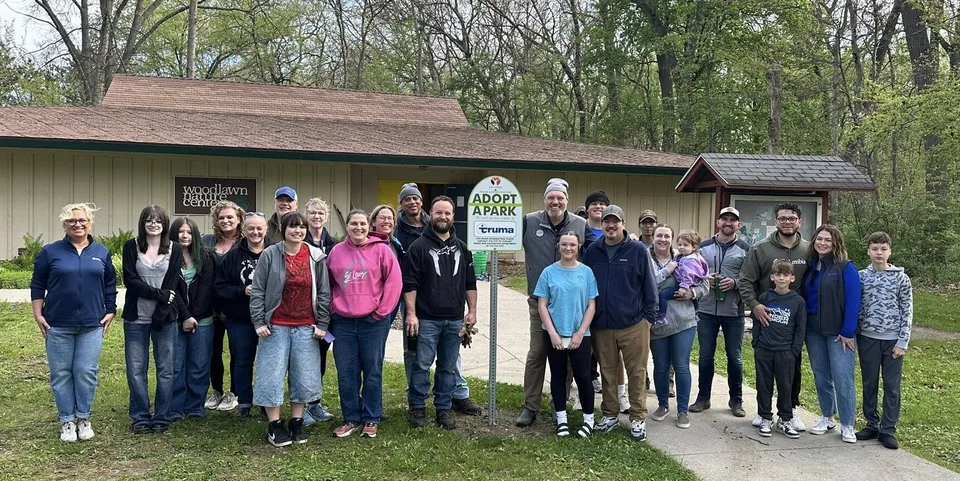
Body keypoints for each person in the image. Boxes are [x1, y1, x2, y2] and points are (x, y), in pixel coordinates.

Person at [31, 203, 117, 442]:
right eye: (72, 221)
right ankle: (67, 421)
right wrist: (38, 314)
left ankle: (83, 418)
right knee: (61, 374)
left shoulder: (101, 252)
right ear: (64, 225)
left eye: (82, 220)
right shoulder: (51, 252)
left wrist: (110, 310)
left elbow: (109, 284)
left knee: (85, 372)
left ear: (90, 223)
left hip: (91, 324)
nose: (77, 224)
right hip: (58, 324)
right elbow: (38, 283)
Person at [395, 183, 483, 416]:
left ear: (453, 216)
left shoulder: (463, 248)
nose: (442, 216)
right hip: (427, 320)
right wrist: (411, 314)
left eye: (447, 213)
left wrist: (471, 311)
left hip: (454, 320)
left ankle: (443, 407)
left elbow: (470, 283)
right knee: (421, 365)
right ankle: (418, 406)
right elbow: (410, 284)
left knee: (446, 367)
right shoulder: (418, 247)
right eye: (438, 212)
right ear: (430, 215)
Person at [517, 178, 596, 427]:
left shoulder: (580, 225)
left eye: (560, 197)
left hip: (571, 303)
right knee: (538, 352)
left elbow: (599, 249)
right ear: (544, 199)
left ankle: (558, 404)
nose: (555, 201)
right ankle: (530, 406)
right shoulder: (529, 222)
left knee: (567, 352)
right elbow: (504, 236)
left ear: (566, 200)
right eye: (551, 197)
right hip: (539, 301)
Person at [250, 212, 331, 447]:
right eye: (293, 227)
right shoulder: (270, 254)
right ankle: (275, 425)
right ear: (283, 229)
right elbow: (258, 291)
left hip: (306, 326)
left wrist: (322, 323)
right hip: (275, 326)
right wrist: (259, 321)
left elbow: (324, 292)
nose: (298, 231)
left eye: (302, 227)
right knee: (271, 375)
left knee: (304, 376)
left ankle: (296, 421)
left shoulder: (315, 256)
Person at [582, 205, 657, 441]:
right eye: (606, 221)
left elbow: (649, 285)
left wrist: (648, 318)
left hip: (633, 324)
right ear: (601, 224)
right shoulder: (592, 251)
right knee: (607, 372)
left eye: (615, 221)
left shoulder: (637, 250)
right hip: (601, 324)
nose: (610, 225)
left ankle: (637, 418)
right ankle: (610, 414)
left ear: (623, 224)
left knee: (636, 372)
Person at [327, 209, 403, 438]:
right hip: (343, 322)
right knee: (346, 371)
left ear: (368, 226)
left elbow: (394, 282)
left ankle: (371, 417)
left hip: (373, 321)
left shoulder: (381, 250)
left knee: (372, 370)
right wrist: (332, 307)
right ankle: (351, 417)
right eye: (353, 224)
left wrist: (381, 312)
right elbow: (327, 283)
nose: (358, 228)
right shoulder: (336, 252)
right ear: (347, 226)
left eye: (362, 224)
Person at [739, 202, 809, 432]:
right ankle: (764, 412)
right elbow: (746, 281)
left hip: (795, 321)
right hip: (768, 322)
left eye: (791, 218)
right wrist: (755, 305)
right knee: (765, 374)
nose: (787, 222)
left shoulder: (809, 250)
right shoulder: (760, 249)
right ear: (776, 221)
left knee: (792, 371)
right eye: (782, 218)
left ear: (799, 221)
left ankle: (790, 411)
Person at [122, 205, 192, 434]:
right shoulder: (131, 247)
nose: (153, 224)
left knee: (166, 369)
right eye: (148, 220)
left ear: (164, 223)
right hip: (136, 318)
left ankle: (162, 415)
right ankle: (140, 416)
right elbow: (130, 281)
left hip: (165, 318)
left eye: (158, 220)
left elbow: (172, 284)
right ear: (142, 223)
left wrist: (163, 297)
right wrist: (158, 294)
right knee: (136, 369)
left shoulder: (175, 249)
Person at [533, 231, 599, 437]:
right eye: (564, 245)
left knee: (583, 376)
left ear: (578, 247)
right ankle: (561, 419)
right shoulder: (548, 272)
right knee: (558, 376)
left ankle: (589, 419)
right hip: (554, 332)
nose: (568, 248)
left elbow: (591, 305)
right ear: (558, 247)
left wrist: (580, 333)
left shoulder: (587, 273)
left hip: (580, 333)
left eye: (572, 244)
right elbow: (542, 305)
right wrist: (552, 333)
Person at [801, 224, 861, 443]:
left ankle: (847, 424)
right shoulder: (811, 265)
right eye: (819, 239)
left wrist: (848, 331)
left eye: (828, 240)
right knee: (821, 374)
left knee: (842, 377)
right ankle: (827, 416)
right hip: (813, 330)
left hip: (838, 333)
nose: (823, 243)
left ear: (836, 243)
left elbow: (854, 300)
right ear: (814, 241)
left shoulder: (846, 267)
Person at [690, 207, 751, 417]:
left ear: (738, 225)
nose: (728, 222)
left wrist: (734, 283)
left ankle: (736, 400)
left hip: (734, 311)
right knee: (706, 355)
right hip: (706, 309)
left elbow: (751, 278)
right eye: (724, 219)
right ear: (718, 222)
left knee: (735, 357)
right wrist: (705, 278)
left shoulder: (746, 249)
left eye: (732, 220)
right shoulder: (703, 247)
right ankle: (703, 398)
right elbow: (691, 272)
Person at [856, 232, 913, 449]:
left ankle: (888, 429)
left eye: (883, 249)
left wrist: (902, 342)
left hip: (892, 342)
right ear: (868, 251)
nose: (879, 253)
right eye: (874, 249)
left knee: (891, 385)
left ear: (890, 251)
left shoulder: (901, 278)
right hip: (868, 338)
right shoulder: (861, 276)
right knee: (869, 383)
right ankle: (872, 423)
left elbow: (907, 311)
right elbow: (857, 307)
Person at [648, 225, 708, 430]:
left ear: (672, 239)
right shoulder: (645, 258)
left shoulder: (687, 256)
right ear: (653, 237)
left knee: (681, 365)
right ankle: (663, 405)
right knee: (661, 365)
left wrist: (692, 294)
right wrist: (666, 272)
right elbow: (643, 284)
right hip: (657, 324)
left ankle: (682, 410)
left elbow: (704, 284)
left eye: (667, 236)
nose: (663, 239)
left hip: (684, 320)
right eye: (659, 235)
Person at [215, 212, 270, 418]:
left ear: (265, 229)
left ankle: (266, 402)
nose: (255, 232)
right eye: (251, 228)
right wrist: (242, 291)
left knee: (268, 361)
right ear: (243, 230)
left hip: (269, 319)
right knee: (242, 360)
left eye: (259, 228)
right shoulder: (233, 256)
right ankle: (245, 401)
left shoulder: (275, 252)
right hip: (240, 318)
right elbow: (220, 287)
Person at [752, 260, 807, 439]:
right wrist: (756, 343)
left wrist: (794, 350)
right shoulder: (765, 298)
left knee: (785, 386)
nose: (781, 278)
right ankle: (765, 417)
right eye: (778, 275)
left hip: (786, 351)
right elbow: (757, 322)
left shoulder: (798, 301)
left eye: (785, 275)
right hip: (764, 349)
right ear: (772, 277)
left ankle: (785, 419)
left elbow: (800, 328)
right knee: (763, 384)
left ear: (792, 278)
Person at [169, 217, 216, 420]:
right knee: (176, 365)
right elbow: (171, 289)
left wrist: (194, 316)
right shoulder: (167, 257)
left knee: (199, 364)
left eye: (189, 232)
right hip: (175, 319)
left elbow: (206, 291)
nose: (185, 235)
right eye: (180, 231)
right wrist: (185, 316)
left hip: (203, 320)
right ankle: (176, 407)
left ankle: (196, 406)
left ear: (195, 235)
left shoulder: (206, 257)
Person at [201, 200, 244, 412]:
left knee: (237, 352)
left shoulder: (245, 243)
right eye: (222, 217)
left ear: (239, 220)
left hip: (236, 307)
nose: (226, 221)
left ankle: (234, 393)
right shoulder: (207, 241)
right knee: (213, 352)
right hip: (210, 307)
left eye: (230, 217)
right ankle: (216, 390)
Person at [301, 197, 338, 425]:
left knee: (320, 357)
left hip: (325, 312)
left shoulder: (334, 245)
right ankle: (301, 406)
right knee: (300, 359)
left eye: (320, 213)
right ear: (306, 216)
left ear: (326, 217)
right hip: (302, 311)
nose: (316, 217)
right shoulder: (296, 240)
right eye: (312, 213)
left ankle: (315, 403)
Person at [655, 229, 707, 326]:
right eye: (679, 245)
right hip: (686, 285)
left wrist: (685, 288)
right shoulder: (683, 256)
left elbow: (688, 275)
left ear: (694, 247)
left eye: (685, 245)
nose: (681, 247)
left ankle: (661, 316)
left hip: (684, 288)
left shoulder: (689, 260)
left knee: (663, 295)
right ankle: (696, 312)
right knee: (693, 300)